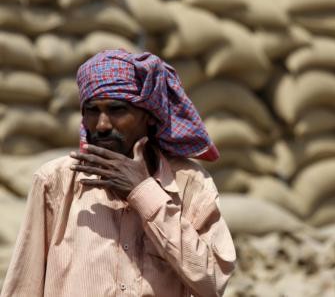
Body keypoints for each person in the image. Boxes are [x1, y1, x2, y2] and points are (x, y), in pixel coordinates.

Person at [1, 49, 236, 297]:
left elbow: (213, 282)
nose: (102, 125)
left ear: (149, 116)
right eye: (92, 110)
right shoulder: (55, 181)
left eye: (117, 110)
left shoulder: (189, 183)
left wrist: (144, 194)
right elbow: (24, 286)